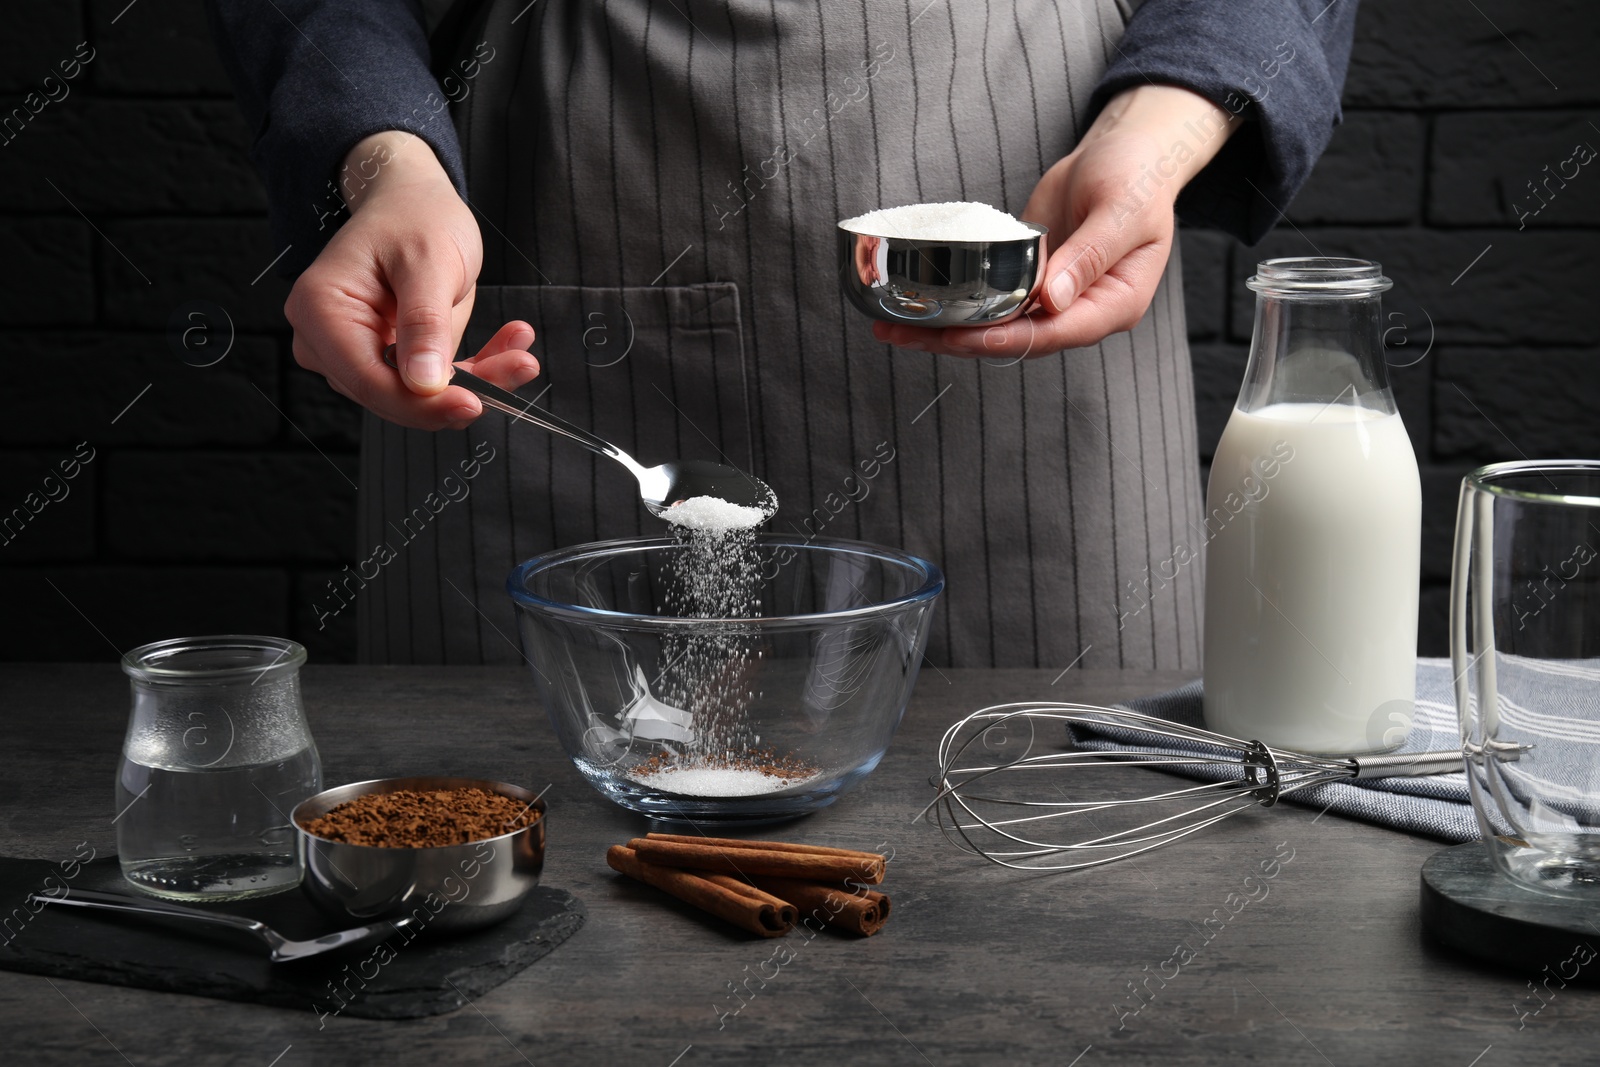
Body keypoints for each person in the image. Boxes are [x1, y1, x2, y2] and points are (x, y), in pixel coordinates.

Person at [206, 0, 1359, 668]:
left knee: (1084, 890)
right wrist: (378, 156)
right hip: (555, 204)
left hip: (1041, 200)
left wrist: (1159, 131)